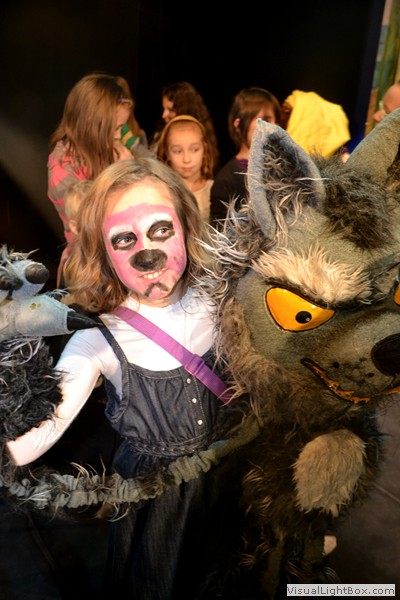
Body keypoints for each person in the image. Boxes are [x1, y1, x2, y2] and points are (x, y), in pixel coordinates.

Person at [7, 157, 244, 599]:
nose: (147, 253)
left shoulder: (225, 299)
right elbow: (26, 445)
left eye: (161, 229)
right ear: (104, 252)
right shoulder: (98, 338)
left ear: (186, 226)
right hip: (159, 509)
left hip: (235, 484)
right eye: (124, 239)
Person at [47, 72, 147, 285]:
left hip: (120, 256)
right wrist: (125, 172)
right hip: (90, 269)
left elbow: (153, 165)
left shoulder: (106, 145)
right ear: (93, 124)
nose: (119, 135)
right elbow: (95, 226)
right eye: (116, 128)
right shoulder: (62, 170)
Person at [210, 86, 281, 227]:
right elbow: (219, 231)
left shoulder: (282, 168)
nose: (272, 127)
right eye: (264, 120)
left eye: (273, 121)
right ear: (239, 125)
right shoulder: (227, 179)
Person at [150, 81, 219, 173]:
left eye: (170, 110)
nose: (164, 115)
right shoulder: (161, 134)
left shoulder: (202, 135)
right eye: (178, 151)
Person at [156, 115, 214, 222]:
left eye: (194, 150)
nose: (186, 159)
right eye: (178, 151)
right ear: (167, 153)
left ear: (204, 149)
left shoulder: (214, 190)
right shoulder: (161, 192)